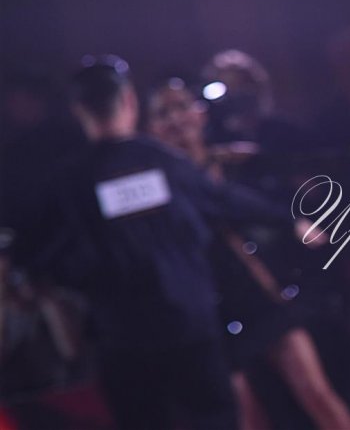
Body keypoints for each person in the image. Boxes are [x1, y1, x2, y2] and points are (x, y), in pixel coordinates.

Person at [24, 56, 239, 430]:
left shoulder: (69, 183)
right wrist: (292, 218)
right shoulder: (165, 162)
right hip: (189, 328)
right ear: (129, 100)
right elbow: (224, 202)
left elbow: (41, 257)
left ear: (79, 110)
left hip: (124, 337)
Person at [146, 79, 350, 430]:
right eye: (163, 113)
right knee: (243, 417)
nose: (175, 120)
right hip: (209, 309)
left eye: (181, 107)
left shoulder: (235, 162)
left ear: (200, 114)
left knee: (315, 392)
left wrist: (294, 222)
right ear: (150, 129)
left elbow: (275, 188)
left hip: (260, 292)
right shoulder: (159, 185)